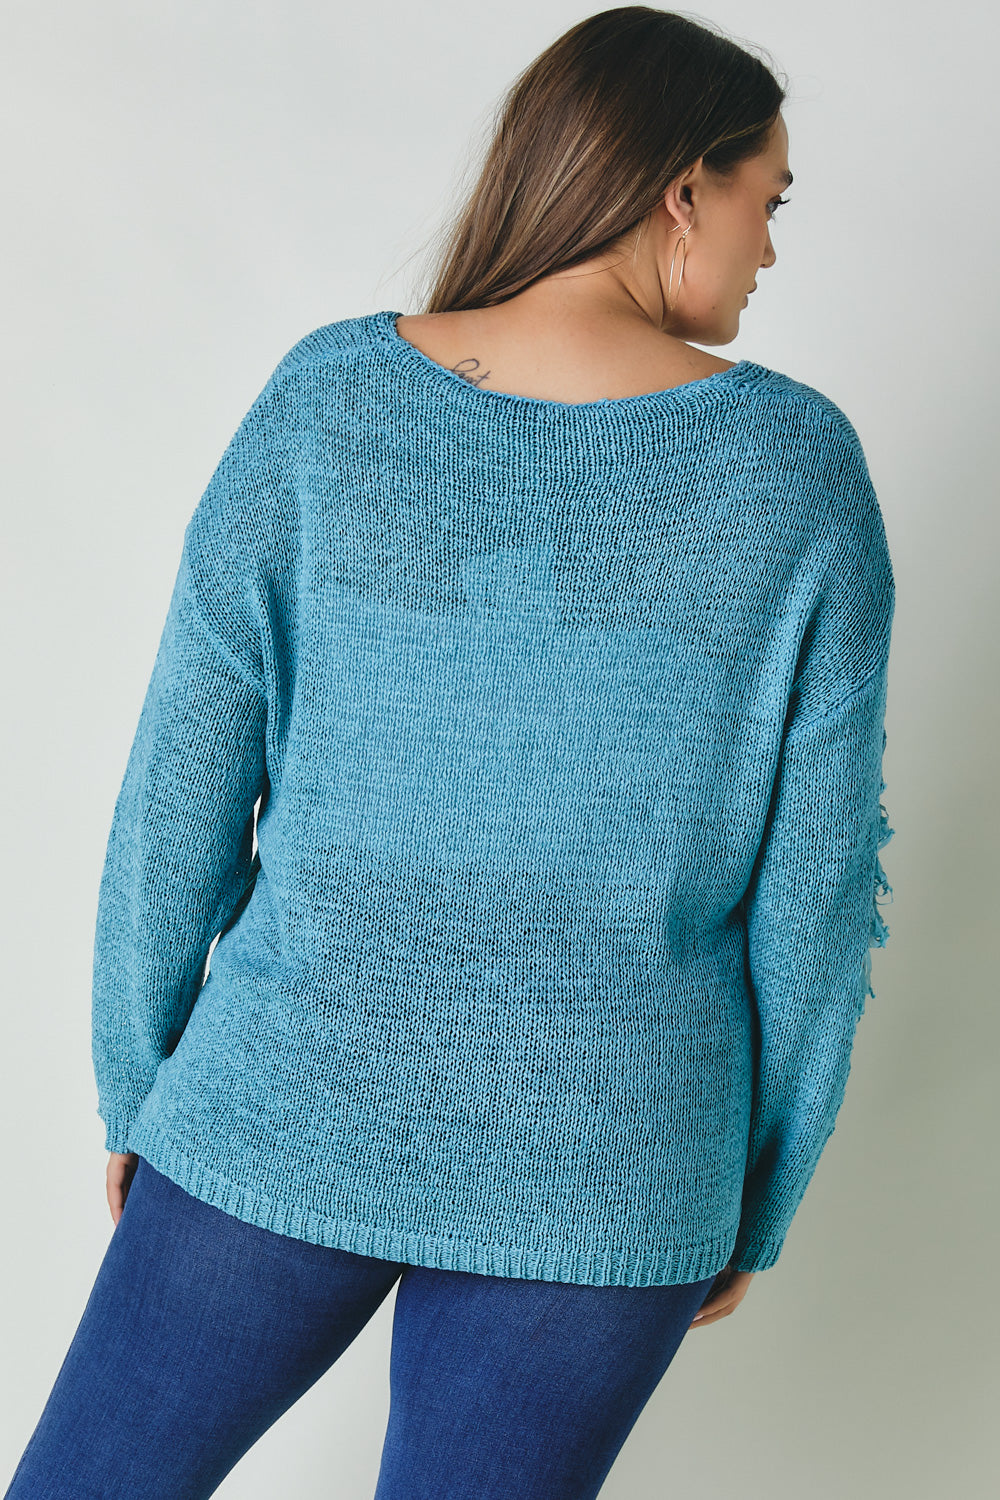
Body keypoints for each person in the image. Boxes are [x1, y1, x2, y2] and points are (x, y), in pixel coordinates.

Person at [5, 6, 896, 1498]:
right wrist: (756, 1187)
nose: (769, 249)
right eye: (769, 201)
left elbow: (184, 780)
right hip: (610, 1157)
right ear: (684, 190)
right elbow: (814, 894)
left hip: (283, 1097)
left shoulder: (330, 399)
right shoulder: (796, 471)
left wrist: (139, 1077)